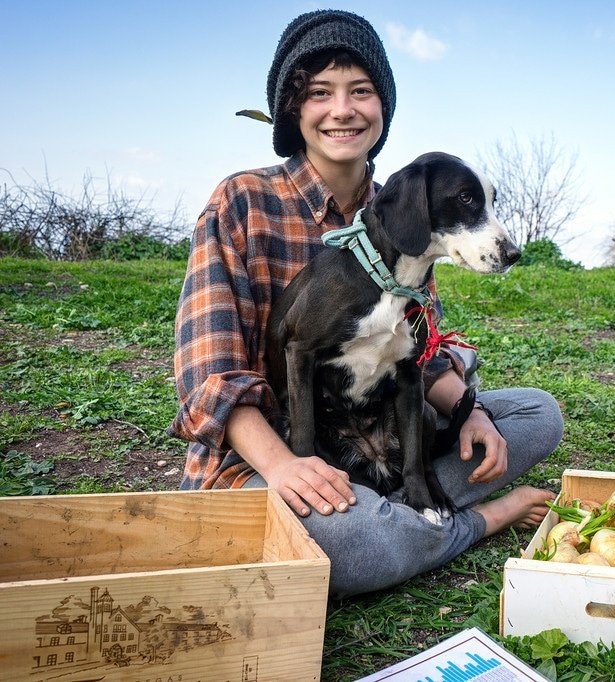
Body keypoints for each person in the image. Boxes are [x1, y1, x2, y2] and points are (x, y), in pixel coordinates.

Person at [169, 9, 562, 599]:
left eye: (361, 91)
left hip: (375, 424)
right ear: (294, 109)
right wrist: (284, 467)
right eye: (320, 93)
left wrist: (468, 413)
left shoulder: (409, 210)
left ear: (383, 106)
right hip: (268, 452)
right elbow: (209, 378)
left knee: (537, 416)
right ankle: (477, 519)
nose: (343, 109)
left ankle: (398, 504)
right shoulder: (241, 202)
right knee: (350, 548)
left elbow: (414, 350)